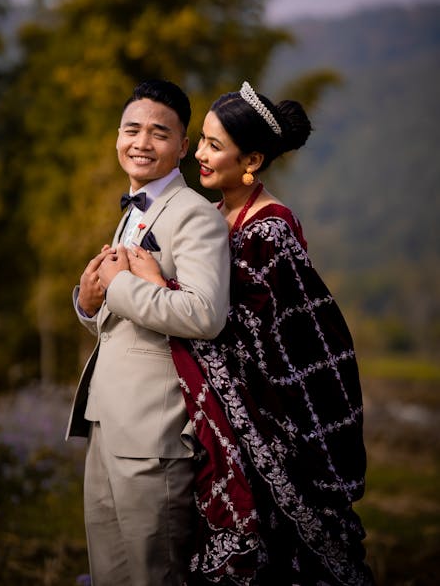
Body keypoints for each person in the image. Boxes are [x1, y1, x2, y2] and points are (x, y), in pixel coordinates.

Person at [130, 82, 374, 585]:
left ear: (253, 160)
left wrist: (159, 285)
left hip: (271, 423)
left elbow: (260, 334)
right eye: (200, 140)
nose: (198, 153)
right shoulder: (211, 218)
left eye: (214, 146)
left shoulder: (271, 229)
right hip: (210, 421)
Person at [66, 79, 230, 586]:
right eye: (131, 129)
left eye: (159, 133)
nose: (141, 142)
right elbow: (119, 314)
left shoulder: (196, 216)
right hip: (106, 421)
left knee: (152, 575)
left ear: (183, 147)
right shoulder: (135, 209)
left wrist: (116, 288)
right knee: (109, 573)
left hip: (154, 435)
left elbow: (205, 314)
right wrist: (88, 303)